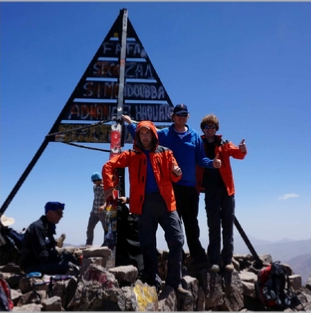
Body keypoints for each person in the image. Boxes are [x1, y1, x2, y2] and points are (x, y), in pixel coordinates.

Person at [122, 104, 221, 270]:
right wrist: (130, 123)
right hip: (171, 187)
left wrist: (212, 164)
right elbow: (143, 134)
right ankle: (179, 263)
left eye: (184, 115)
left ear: (187, 117)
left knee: (191, 224)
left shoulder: (195, 136)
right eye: (178, 115)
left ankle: (198, 260)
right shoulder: (164, 134)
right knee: (175, 226)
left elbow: (200, 159)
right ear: (173, 117)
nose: (181, 117)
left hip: (190, 188)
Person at [102, 120, 191, 295]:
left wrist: (177, 172)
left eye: (147, 133)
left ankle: (174, 282)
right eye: (141, 134)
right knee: (147, 245)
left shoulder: (166, 153)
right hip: (144, 205)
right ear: (137, 136)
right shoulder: (132, 154)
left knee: (177, 240)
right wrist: (109, 188)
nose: (144, 137)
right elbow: (109, 166)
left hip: (166, 203)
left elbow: (175, 177)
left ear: (153, 135)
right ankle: (153, 280)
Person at [196, 114, 247, 272]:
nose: (209, 129)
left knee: (227, 225)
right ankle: (214, 260)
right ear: (203, 129)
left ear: (216, 129)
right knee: (213, 225)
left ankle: (227, 260)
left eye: (212, 127)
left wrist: (242, 150)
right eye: (206, 127)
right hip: (210, 191)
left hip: (227, 190)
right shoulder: (199, 144)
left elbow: (238, 154)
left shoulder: (224, 144)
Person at [20, 202, 79, 275]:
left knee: (70, 257)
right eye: (59, 213)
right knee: (68, 265)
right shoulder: (37, 227)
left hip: (43, 262)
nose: (61, 216)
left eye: (62, 213)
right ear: (50, 213)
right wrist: (57, 259)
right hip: (33, 266)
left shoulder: (48, 226)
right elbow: (43, 256)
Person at [85, 172, 107, 246]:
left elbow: (108, 200)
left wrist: (103, 206)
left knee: (106, 229)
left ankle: (106, 243)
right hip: (94, 211)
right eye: (93, 181)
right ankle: (89, 243)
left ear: (98, 180)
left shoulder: (104, 188)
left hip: (102, 212)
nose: (94, 183)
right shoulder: (95, 187)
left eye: (95, 181)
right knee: (90, 227)